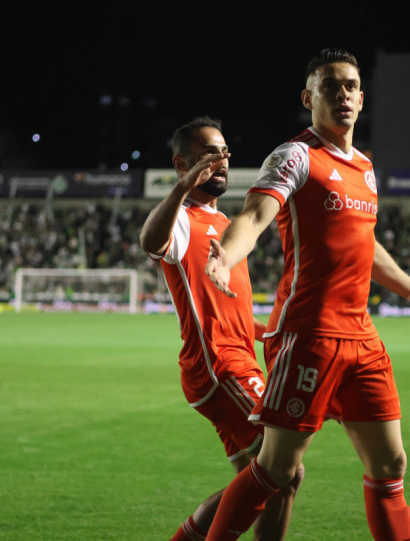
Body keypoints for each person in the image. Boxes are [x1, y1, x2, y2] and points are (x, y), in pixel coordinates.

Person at [204, 48, 410, 541]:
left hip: (362, 338)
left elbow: (364, 244)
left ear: (362, 98)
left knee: (391, 463)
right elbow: (255, 215)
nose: (342, 94)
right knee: (276, 469)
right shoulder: (296, 155)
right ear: (309, 98)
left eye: (350, 86)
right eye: (330, 86)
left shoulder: (366, 169)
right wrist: (226, 252)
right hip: (309, 335)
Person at [139, 117, 302, 541]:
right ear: (182, 164)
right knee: (285, 468)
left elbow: (232, 312)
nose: (223, 161)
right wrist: (181, 187)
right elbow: (150, 242)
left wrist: (272, 334)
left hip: (239, 359)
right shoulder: (182, 219)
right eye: (210, 154)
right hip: (218, 365)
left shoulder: (228, 225)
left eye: (225, 152)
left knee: (268, 482)